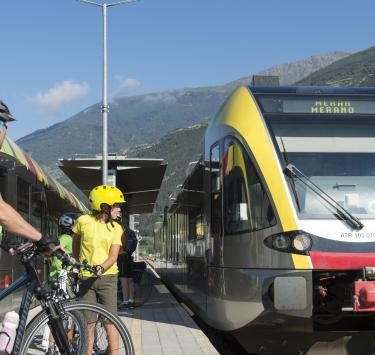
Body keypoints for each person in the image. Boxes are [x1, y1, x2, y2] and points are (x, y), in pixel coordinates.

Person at [72, 185, 125, 355]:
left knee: (110, 321)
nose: (119, 208)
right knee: (89, 323)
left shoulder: (116, 228)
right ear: (105, 206)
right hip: (86, 278)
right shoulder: (83, 221)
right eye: (117, 205)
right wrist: (78, 262)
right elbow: (76, 243)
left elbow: (113, 255)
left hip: (107, 279)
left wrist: (101, 267)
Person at [49, 214, 77, 281]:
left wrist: (46, 251)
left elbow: (56, 247)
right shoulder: (69, 238)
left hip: (60, 274)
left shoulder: (65, 237)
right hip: (66, 273)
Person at [118, 223, 137, 308]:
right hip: (129, 257)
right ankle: (131, 301)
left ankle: (125, 302)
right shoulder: (130, 232)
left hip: (122, 257)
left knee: (123, 280)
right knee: (130, 280)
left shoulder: (120, 233)